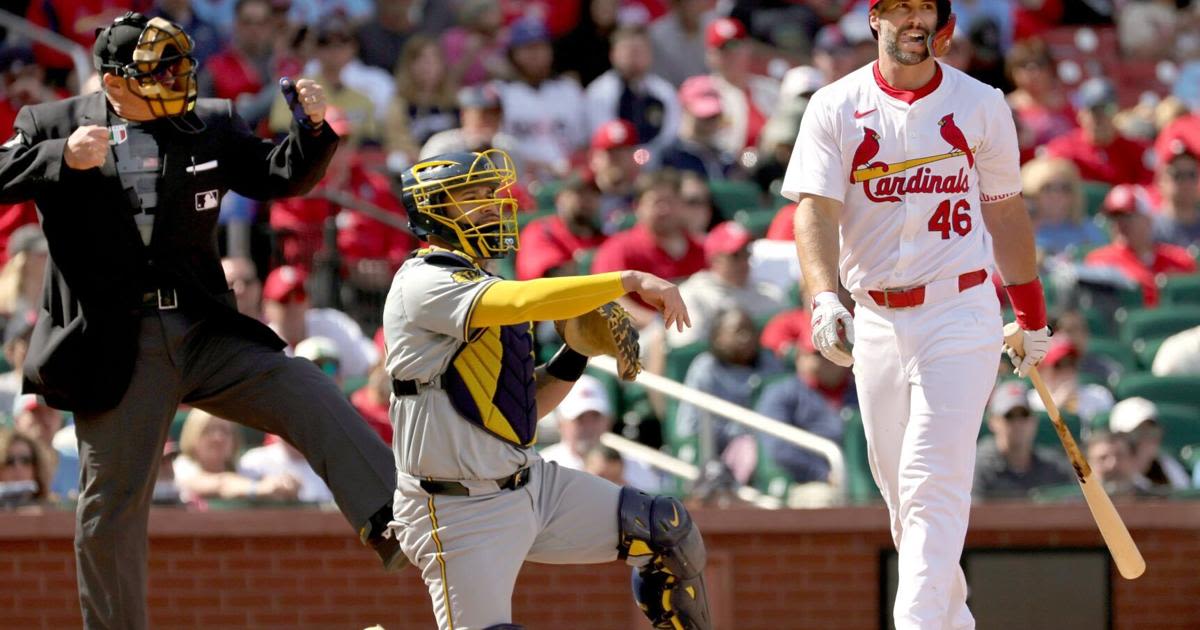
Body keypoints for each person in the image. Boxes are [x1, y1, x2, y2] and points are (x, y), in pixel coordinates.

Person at [0, 13, 401, 628]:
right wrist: (59, 158)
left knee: (304, 386)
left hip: (204, 329)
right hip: (116, 346)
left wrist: (313, 131)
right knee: (111, 508)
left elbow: (277, 176)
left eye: (179, 64)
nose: (176, 77)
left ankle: (390, 521)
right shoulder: (51, 124)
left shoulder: (208, 121)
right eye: (158, 69)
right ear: (112, 80)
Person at [785, 2, 1051, 628]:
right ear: (873, 20)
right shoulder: (832, 104)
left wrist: (1031, 314)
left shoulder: (982, 103)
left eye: (924, 7)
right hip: (875, 316)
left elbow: (1006, 211)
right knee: (902, 494)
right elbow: (815, 212)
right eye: (898, 6)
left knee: (932, 477)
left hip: (959, 308)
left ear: (942, 24)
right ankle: (952, 620)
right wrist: (825, 297)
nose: (912, 18)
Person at [384, 149, 711, 629]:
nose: (492, 206)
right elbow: (520, 300)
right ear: (433, 211)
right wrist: (626, 280)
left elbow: (522, 410)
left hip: (530, 483)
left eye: (490, 195)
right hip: (457, 509)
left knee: (666, 533)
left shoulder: (483, 280)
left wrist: (575, 353)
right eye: (472, 197)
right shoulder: (423, 282)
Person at [668, 221, 786, 348]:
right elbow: (686, 347)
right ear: (714, 259)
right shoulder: (692, 294)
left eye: (746, 252)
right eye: (735, 255)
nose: (743, 261)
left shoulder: (768, 292)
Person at [539, 374, 662, 492]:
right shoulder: (542, 467)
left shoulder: (636, 466)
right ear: (560, 424)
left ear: (608, 421)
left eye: (595, 417)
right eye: (579, 419)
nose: (588, 426)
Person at [1084, 184, 1196, 307]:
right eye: (1115, 218)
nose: (1121, 224)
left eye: (1128, 216)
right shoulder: (1100, 261)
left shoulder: (1179, 260)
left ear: (1148, 219)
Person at [972, 380, 1072, 500]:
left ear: (1034, 421)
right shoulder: (978, 467)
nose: (1018, 423)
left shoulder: (1054, 466)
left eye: (1024, 415)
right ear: (993, 422)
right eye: (1009, 416)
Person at [1044, 78, 1153, 186]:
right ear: (1080, 114)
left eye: (1107, 110)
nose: (1101, 117)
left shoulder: (1135, 150)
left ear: (1117, 111)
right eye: (1094, 111)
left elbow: (1150, 190)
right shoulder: (1063, 149)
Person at [1019, 157, 1107, 256]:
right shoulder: (1019, 230)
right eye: (1047, 188)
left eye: (1065, 188)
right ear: (1031, 193)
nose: (1057, 195)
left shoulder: (1087, 228)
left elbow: (1103, 259)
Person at [1107, 397, 1191, 491]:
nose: (1146, 439)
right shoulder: (1108, 469)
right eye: (1137, 433)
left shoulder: (1168, 467)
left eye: (1151, 431)